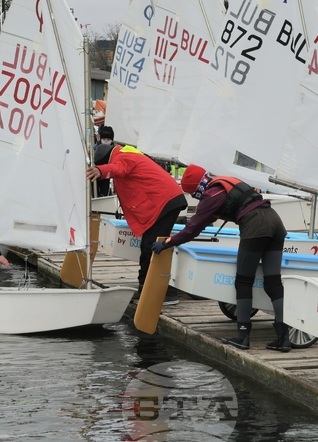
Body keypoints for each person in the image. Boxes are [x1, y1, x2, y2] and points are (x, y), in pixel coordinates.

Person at [151, 165, 291, 352]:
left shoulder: (211, 195)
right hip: (275, 220)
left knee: (243, 280)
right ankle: (284, 338)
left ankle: (242, 336)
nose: (195, 197)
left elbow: (193, 228)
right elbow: (209, 216)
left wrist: (168, 243)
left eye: (193, 193)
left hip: (256, 225)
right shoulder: (222, 184)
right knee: (272, 281)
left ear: (196, 188)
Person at [85, 145, 186, 303]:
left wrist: (101, 170)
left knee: (151, 246)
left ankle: (162, 291)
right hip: (164, 201)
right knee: (148, 245)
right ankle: (146, 287)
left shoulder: (123, 157)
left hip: (164, 201)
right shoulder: (128, 152)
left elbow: (119, 168)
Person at [92, 125, 115, 197]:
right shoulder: (96, 147)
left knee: (104, 191)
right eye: (104, 139)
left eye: (108, 139)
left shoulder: (114, 149)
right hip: (96, 173)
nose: (106, 141)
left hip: (107, 175)